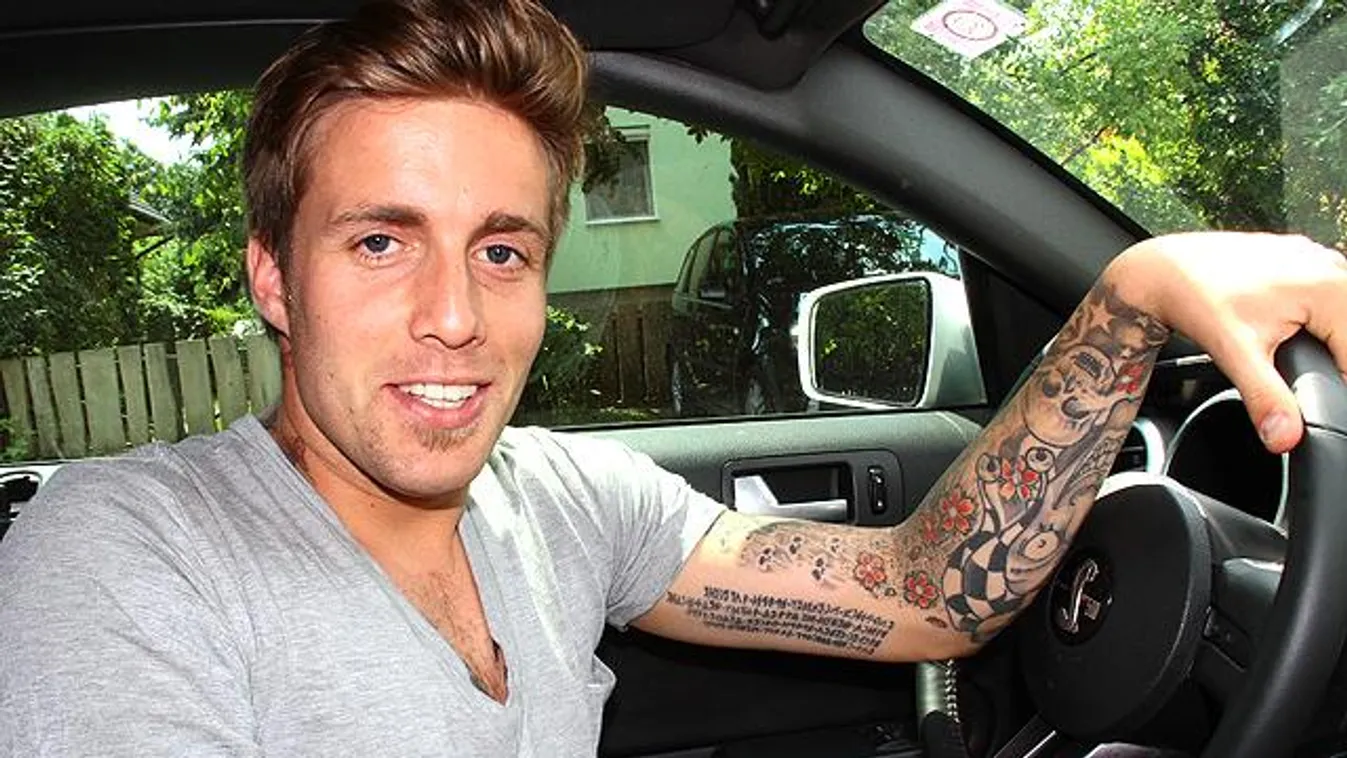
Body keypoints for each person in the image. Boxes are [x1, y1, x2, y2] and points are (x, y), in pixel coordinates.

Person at [1, 0, 1345, 754]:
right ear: (273, 279)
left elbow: (925, 592)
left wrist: (1128, 302)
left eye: (502, 250)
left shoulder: (565, 500)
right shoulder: (123, 552)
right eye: (378, 242)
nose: (454, 317)